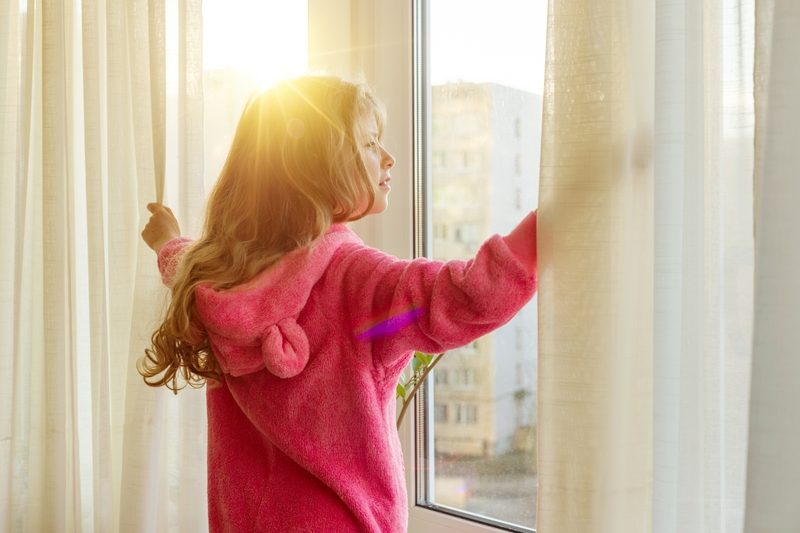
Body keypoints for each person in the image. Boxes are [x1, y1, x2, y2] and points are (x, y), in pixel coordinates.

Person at [140, 75, 538, 533]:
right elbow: (462, 296)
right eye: (370, 144)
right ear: (316, 170)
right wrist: (549, 223)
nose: (388, 157)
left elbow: (185, 264)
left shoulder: (221, 273)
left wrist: (167, 240)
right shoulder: (355, 281)